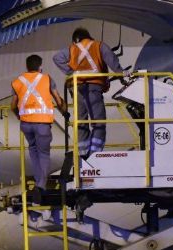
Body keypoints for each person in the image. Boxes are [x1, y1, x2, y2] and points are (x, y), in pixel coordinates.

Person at [54, 27, 131, 158]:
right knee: (99, 122)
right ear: (88, 37)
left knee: (81, 122)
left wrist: (71, 73)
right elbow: (111, 60)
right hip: (93, 87)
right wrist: (121, 73)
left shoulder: (72, 49)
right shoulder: (98, 45)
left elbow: (57, 58)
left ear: (75, 40)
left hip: (77, 88)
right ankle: (95, 154)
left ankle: (83, 155)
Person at [11, 54, 67, 204]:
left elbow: (13, 105)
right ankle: (40, 186)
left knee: (33, 150)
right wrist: (65, 113)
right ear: (40, 66)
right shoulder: (47, 79)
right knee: (43, 154)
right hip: (42, 123)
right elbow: (58, 99)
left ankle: (38, 181)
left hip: (26, 124)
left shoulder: (18, 82)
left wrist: (19, 116)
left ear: (27, 67)